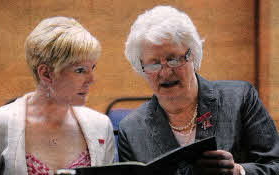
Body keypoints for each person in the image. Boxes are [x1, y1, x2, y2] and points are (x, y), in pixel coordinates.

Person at [118, 5, 279, 175]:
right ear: (141, 67)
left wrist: (238, 171)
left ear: (192, 55)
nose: (165, 72)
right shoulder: (131, 130)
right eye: (153, 63)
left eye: (174, 59)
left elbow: (275, 164)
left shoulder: (240, 99)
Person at [0, 16, 115, 175]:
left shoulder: (101, 126)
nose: (92, 80)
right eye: (80, 70)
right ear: (46, 74)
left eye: (93, 68)